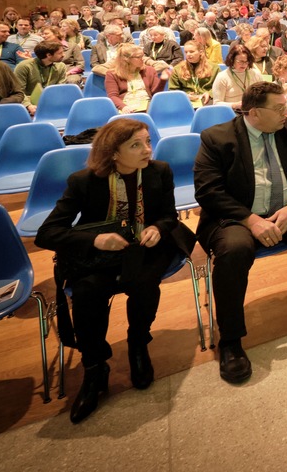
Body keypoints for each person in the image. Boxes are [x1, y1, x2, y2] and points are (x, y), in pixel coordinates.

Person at [35, 120, 191, 423]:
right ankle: (94, 367)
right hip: (103, 253)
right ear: (114, 153)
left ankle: (138, 344)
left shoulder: (160, 171)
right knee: (86, 291)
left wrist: (158, 228)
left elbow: (169, 216)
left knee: (144, 282)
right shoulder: (84, 181)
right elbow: (47, 233)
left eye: (148, 141)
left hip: (146, 248)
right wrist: (96, 239)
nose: (147, 150)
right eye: (136, 145)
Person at [194, 82, 287, 384]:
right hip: (237, 217)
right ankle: (231, 339)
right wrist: (251, 221)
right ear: (255, 113)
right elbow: (208, 192)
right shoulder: (217, 138)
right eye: (279, 108)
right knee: (234, 250)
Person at [106, 44, 165, 114]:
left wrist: (162, 80)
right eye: (139, 57)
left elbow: (156, 94)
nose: (143, 59)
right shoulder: (112, 74)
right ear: (126, 59)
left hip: (147, 104)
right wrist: (123, 107)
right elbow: (113, 96)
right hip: (126, 106)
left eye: (142, 55)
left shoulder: (149, 70)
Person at [13, 39, 67, 115]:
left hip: (51, 102)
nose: (63, 55)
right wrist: (28, 105)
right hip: (29, 103)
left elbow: (60, 89)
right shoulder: (24, 66)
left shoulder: (61, 66)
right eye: (60, 53)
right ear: (48, 55)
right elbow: (18, 91)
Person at [212, 44, 265, 109]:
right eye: (240, 62)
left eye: (246, 61)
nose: (244, 65)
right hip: (232, 113)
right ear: (232, 60)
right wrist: (234, 105)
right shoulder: (222, 77)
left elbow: (263, 95)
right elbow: (216, 103)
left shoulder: (255, 73)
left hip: (252, 111)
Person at [170, 41, 218, 106]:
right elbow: (173, 89)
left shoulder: (214, 67)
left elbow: (219, 87)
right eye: (186, 52)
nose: (188, 54)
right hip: (185, 99)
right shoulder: (177, 69)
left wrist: (209, 93)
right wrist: (184, 95)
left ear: (200, 52)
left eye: (192, 51)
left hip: (206, 98)